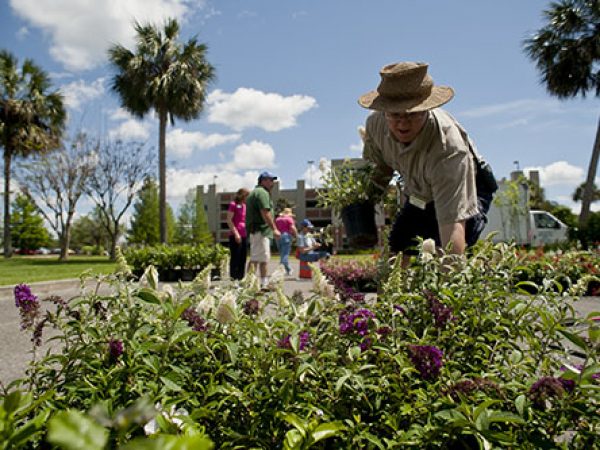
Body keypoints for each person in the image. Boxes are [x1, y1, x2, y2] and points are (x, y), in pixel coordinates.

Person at [358, 61, 497, 267]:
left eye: (412, 114)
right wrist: (364, 199)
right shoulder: (376, 125)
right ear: (385, 111)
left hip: (467, 189)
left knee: (446, 251)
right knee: (397, 247)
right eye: (395, 114)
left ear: (427, 109)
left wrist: (451, 291)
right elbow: (379, 168)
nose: (403, 123)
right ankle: (391, 298)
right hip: (419, 194)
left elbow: (452, 224)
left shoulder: (448, 150)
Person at [245, 171, 281, 288]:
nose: (272, 183)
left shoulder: (255, 192)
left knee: (258, 257)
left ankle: (254, 282)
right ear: (263, 180)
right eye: (270, 180)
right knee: (260, 258)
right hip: (260, 230)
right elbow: (265, 213)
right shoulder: (262, 193)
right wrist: (274, 229)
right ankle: (256, 283)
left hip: (257, 230)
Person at [226, 187, 250, 280]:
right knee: (235, 257)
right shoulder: (233, 204)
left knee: (243, 258)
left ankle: (241, 278)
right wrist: (236, 233)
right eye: (247, 195)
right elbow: (229, 220)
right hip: (235, 235)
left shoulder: (244, 206)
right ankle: (234, 278)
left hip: (244, 234)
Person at [275, 207, 297, 276]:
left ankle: (288, 269)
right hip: (286, 236)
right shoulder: (289, 219)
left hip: (278, 237)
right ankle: (281, 270)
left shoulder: (277, 219)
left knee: (282, 254)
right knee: (285, 254)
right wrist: (296, 235)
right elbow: (293, 228)